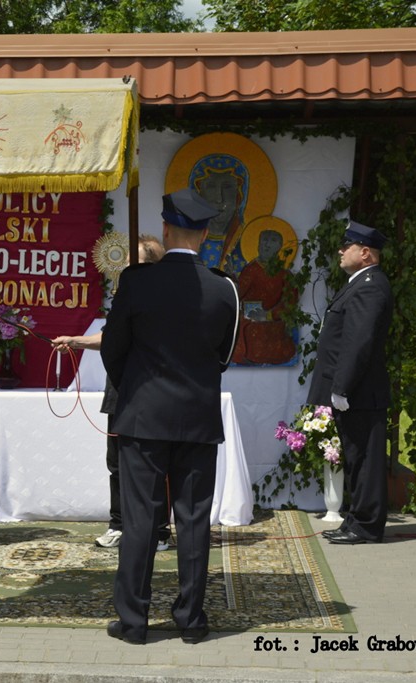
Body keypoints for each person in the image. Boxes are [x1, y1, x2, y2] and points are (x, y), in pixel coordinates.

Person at [101, 188, 239, 645]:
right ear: (205, 234)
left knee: (140, 519)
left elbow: (113, 349)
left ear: (165, 228)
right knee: (194, 520)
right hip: (197, 418)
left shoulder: (137, 282)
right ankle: (191, 620)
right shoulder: (224, 288)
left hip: (143, 416)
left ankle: (134, 623)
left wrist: (137, 387)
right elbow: (223, 355)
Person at [52, 235, 167, 550]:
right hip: (120, 390)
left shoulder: (167, 299)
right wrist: (75, 341)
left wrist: (78, 340)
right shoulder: (125, 296)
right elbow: (110, 335)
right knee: (117, 463)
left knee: (154, 463)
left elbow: (124, 338)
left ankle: (158, 530)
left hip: (153, 391)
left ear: (155, 267)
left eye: (136, 263)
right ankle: (119, 524)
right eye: (126, 264)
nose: (128, 269)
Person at [308, 221, 393, 545]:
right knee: (357, 457)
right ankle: (356, 519)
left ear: (366, 253)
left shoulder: (370, 285)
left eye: (348, 246)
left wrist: (341, 387)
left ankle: (367, 525)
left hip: (360, 390)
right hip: (356, 390)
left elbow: (358, 343)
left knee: (366, 459)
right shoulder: (360, 282)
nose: (341, 251)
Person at [231, 228, 298, 365]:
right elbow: (237, 295)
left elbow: (289, 302)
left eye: (272, 242)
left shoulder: (285, 275)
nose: (267, 245)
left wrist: (268, 315)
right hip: (248, 316)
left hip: (272, 320)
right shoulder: (250, 270)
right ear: (258, 245)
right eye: (264, 241)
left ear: (279, 247)